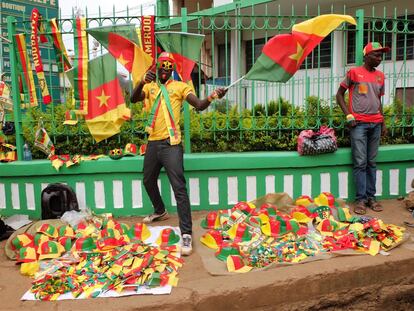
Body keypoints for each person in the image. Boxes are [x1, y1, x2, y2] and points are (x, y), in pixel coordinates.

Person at [130, 52, 227, 255]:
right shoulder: (150, 87)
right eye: (161, 66)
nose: (164, 69)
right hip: (153, 143)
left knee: (179, 189)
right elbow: (133, 98)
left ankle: (186, 234)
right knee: (148, 180)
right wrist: (140, 81)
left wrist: (212, 96)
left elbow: (199, 105)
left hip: (172, 145)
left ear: (172, 69)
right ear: (157, 68)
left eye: (168, 66)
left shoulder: (180, 87)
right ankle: (160, 211)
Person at [336, 42, 389, 215]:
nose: (379, 59)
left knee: (371, 163)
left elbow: (378, 101)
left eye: (381, 56)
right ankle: (360, 199)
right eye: (376, 55)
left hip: (375, 124)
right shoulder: (354, 73)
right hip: (358, 124)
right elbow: (339, 95)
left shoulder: (381, 76)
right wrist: (348, 116)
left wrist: (383, 122)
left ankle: (371, 198)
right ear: (366, 56)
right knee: (360, 163)